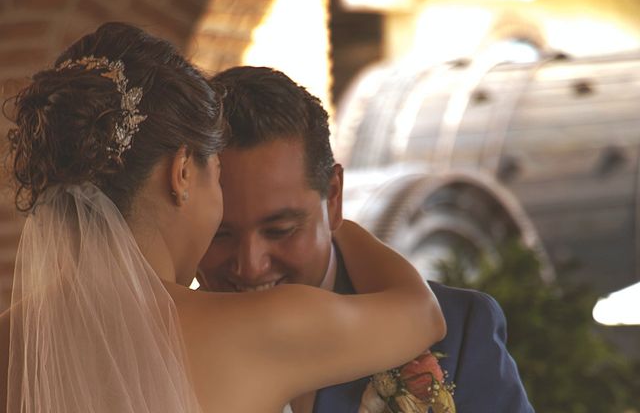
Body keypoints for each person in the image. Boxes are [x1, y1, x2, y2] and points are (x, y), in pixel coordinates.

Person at [0, 22, 446, 413]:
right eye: (215, 172)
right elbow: (422, 313)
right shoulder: (263, 328)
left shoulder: (11, 341)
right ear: (181, 173)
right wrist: (335, 221)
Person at [199, 65, 535, 413]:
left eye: (279, 230)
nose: (250, 266)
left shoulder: (459, 332)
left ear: (333, 195)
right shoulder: (164, 346)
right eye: (218, 234)